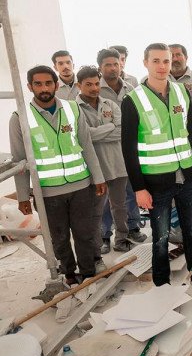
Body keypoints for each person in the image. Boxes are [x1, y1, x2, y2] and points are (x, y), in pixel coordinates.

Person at [121, 43, 192, 291]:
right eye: (156, 61)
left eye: (166, 61)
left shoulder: (181, 92)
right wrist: (139, 188)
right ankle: (162, 283)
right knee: (161, 236)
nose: (162, 66)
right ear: (145, 63)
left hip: (186, 176)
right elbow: (128, 149)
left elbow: (191, 135)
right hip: (155, 181)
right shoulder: (133, 100)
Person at [11, 65, 106, 285]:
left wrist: (98, 177)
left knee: (85, 233)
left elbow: (86, 145)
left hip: (81, 186)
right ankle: (69, 273)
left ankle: (88, 272)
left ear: (55, 85)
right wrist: (24, 196)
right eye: (38, 84)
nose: (44, 88)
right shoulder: (20, 117)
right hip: (47, 191)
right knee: (59, 236)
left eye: (48, 83)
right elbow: (19, 160)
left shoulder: (73, 109)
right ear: (29, 86)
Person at [75, 66, 133, 257]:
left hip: (118, 163)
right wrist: (108, 128)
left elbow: (122, 131)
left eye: (96, 84)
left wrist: (95, 133)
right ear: (78, 85)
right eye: (88, 84)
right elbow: (82, 136)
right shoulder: (73, 109)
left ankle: (122, 238)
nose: (93, 88)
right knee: (98, 209)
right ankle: (103, 239)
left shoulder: (111, 104)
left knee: (120, 205)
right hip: (95, 167)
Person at [97, 48, 147, 252]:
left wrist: (113, 131)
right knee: (107, 197)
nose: (113, 68)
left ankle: (133, 227)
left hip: (130, 150)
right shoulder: (94, 89)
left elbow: (137, 121)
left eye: (116, 64)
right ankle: (105, 235)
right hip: (106, 153)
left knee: (132, 190)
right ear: (100, 67)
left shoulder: (131, 87)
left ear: (121, 64)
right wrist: (114, 130)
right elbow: (90, 130)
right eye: (108, 64)